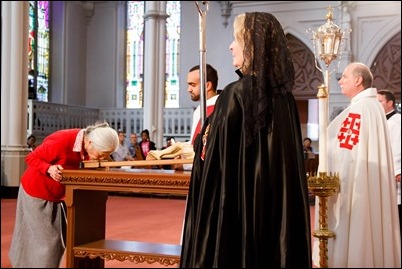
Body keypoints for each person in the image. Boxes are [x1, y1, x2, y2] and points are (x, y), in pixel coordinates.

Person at [180, 12, 311, 267]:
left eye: (236, 39)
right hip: (272, 209)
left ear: (253, 45)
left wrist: (201, 142)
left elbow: (214, 159)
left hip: (239, 210)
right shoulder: (285, 98)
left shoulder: (236, 93)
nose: (230, 46)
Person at [312, 63, 401, 267]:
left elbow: (346, 153)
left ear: (358, 80)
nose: (340, 81)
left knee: (357, 229)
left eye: (344, 77)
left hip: (356, 185)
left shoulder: (360, 110)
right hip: (367, 182)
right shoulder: (371, 107)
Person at [9, 121, 119, 268]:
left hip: (59, 195)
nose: (101, 158)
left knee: (55, 242)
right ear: (90, 142)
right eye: (101, 154)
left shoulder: (89, 142)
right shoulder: (61, 141)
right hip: (37, 192)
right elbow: (31, 158)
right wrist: (49, 168)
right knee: (46, 243)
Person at [377, 89, 401, 243]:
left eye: (380, 102)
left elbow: (397, 148)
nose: (377, 105)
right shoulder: (383, 120)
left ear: (390, 103)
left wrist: (398, 171)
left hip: (395, 176)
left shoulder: (396, 121)